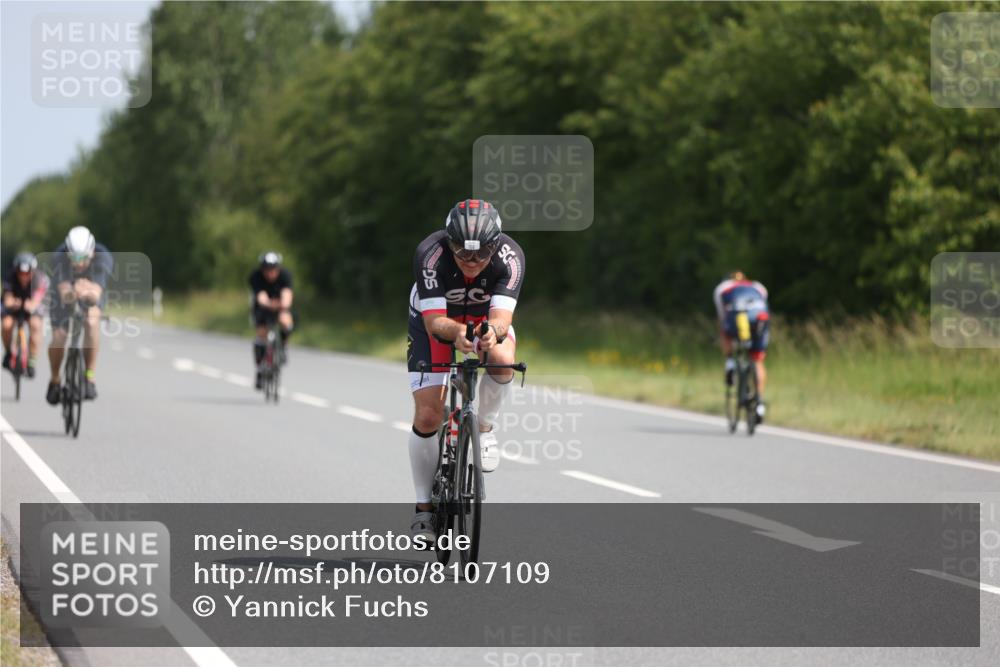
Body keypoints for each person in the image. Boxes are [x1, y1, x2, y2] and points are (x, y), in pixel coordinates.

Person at [406, 199, 525, 541]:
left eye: (481, 254)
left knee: (501, 361)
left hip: (483, 318)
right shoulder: (430, 254)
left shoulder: (511, 257)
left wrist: (491, 333)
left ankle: (483, 427)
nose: (472, 261)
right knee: (428, 415)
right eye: (461, 252)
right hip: (435, 322)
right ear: (449, 242)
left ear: (495, 245)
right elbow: (434, 323)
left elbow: (501, 319)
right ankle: (424, 510)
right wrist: (458, 333)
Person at [46, 226, 113, 403]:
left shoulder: (103, 257)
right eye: (74, 258)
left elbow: (95, 295)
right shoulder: (59, 257)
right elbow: (65, 295)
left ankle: (89, 377)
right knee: (59, 338)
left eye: (83, 258)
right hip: (62, 296)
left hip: (90, 295)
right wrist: (78, 289)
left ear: (92, 252)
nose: (79, 264)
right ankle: (55, 380)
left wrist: (82, 290)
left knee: (91, 321)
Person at [713, 270, 769, 421]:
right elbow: (764, 304)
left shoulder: (722, 288)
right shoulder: (758, 286)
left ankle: (730, 363)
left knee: (725, 331)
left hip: (737, 316)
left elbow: (722, 316)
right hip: (759, 318)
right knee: (757, 359)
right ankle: (759, 404)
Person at [248, 251, 294, 390]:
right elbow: (260, 296)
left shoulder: (285, 275)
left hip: (280, 305)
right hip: (263, 306)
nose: (270, 273)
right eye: (266, 269)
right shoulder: (255, 277)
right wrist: (268, 304)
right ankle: (260, 369)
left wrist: (283, 305)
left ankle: (283, 346)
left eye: (273, 269)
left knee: (286, 321)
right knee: (261, 335)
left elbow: (287, 294)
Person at [2, 252, 49, 378]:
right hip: (14, 306)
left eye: (27, 273)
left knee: (35, 325)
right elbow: (7, 298)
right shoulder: (10, 276)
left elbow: (37, 299)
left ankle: (32, 360)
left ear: (33, 271)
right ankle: (8, 352)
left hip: (32, 306)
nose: (23, 276)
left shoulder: (40, 278)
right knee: (6, 324)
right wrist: (13, 303)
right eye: (20, 273)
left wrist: (31, 304)